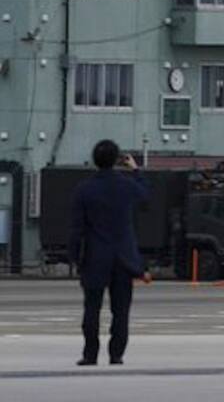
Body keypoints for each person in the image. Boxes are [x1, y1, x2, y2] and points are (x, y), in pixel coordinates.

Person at [68, 140, 149, 366]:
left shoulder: (83, 189)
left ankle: (90, 354)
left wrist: (74, 256)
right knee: (121, 311)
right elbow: (145, 195)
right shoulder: (126, 185)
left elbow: (77, 228)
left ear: (95, 160)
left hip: (94, 256)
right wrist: (135, 169)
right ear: (117, 160)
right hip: (123, 257)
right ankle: (116, 353)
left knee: (92, 309)